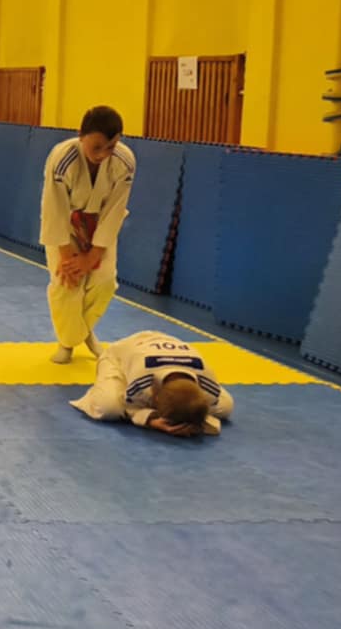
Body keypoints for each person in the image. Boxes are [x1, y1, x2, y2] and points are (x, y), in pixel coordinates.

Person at [40, 106, 136, 363]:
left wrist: (93, 255)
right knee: (67, 282)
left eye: (110, 147)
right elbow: (54, 208)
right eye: (96, 147)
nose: (103, 154)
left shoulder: (125, 161)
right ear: (80, 135)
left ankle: (79, 332)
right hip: (66, 226)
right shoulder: (62, 159)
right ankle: (69, 342)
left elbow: (115, 210)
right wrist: (67, 255)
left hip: (101, 225)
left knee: (105, 282)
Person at [69, 331, 235, 437]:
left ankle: (184, 409)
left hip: (163, 345)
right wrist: (150, 420)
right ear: (154, 398)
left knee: (226, 406)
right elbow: (131, 407)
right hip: (118, 356)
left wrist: (193, 422)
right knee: (109, 407)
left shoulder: (209, 386)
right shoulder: (142, 381)